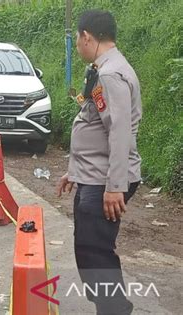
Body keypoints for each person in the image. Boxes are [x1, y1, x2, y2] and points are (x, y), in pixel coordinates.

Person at [56, 10, 142, 315]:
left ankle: (115, 309)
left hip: (106, 180)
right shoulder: (103, 68)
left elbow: (118, 131)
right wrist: (75, 172)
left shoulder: (110, 74)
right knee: (90, 250)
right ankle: (110, 308)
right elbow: (94, 124)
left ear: (86, 36)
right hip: (94, 175)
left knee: (95, 252)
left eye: (78, 40)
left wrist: (115, 186)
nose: (78, 46)